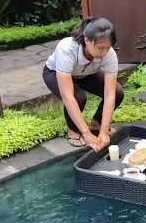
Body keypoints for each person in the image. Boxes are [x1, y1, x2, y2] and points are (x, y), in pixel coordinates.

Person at [42, 17, 124, 152]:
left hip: (85, 73)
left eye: (107, 48)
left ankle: (97, 124)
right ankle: (73, 130)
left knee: (117, 92)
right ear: (87, 40)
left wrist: (104, 131)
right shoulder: (67, 48)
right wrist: (86, 133)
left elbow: (109, 95)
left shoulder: (110, 55)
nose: (104, 53)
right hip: (54, 72)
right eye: (100, 48)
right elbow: (68, 97)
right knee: (78, 97)